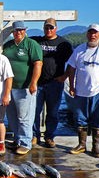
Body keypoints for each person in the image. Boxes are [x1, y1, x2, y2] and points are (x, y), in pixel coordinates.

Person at [67, 24, 99, 158]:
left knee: (98, 118)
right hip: (80, 90)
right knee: (80, 118)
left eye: (95, 33)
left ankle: (95, 147)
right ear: (87, 34)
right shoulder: (79, 50)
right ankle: (81, 145)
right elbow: (71, 68)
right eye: (90, 33)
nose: (93, 35)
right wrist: (72, 86)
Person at [30, 18, 73, 148]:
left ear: (56, 28)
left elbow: (72, 63)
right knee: (34, 112)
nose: (48, 30)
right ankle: (34, 136)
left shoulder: (64, 44)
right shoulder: (36, 41)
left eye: (51, 28)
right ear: (43, 28)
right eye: (46, 28)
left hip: (55, 83)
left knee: (53, 113)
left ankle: (49, 137)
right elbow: (22, 41)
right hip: (38, 83)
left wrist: (65, 76)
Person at [3, 21, 43, 155]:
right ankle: (17, 139)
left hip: (25, 88)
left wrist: (33, 83)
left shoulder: (31, 44)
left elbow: (38, 64)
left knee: (24, 117)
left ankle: (26, 142)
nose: (18, 32)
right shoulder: (8, 46)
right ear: (12, 32)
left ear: (25, 30)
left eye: (21, 30)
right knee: (12, 117)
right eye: (16, 30)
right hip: (9, 88)